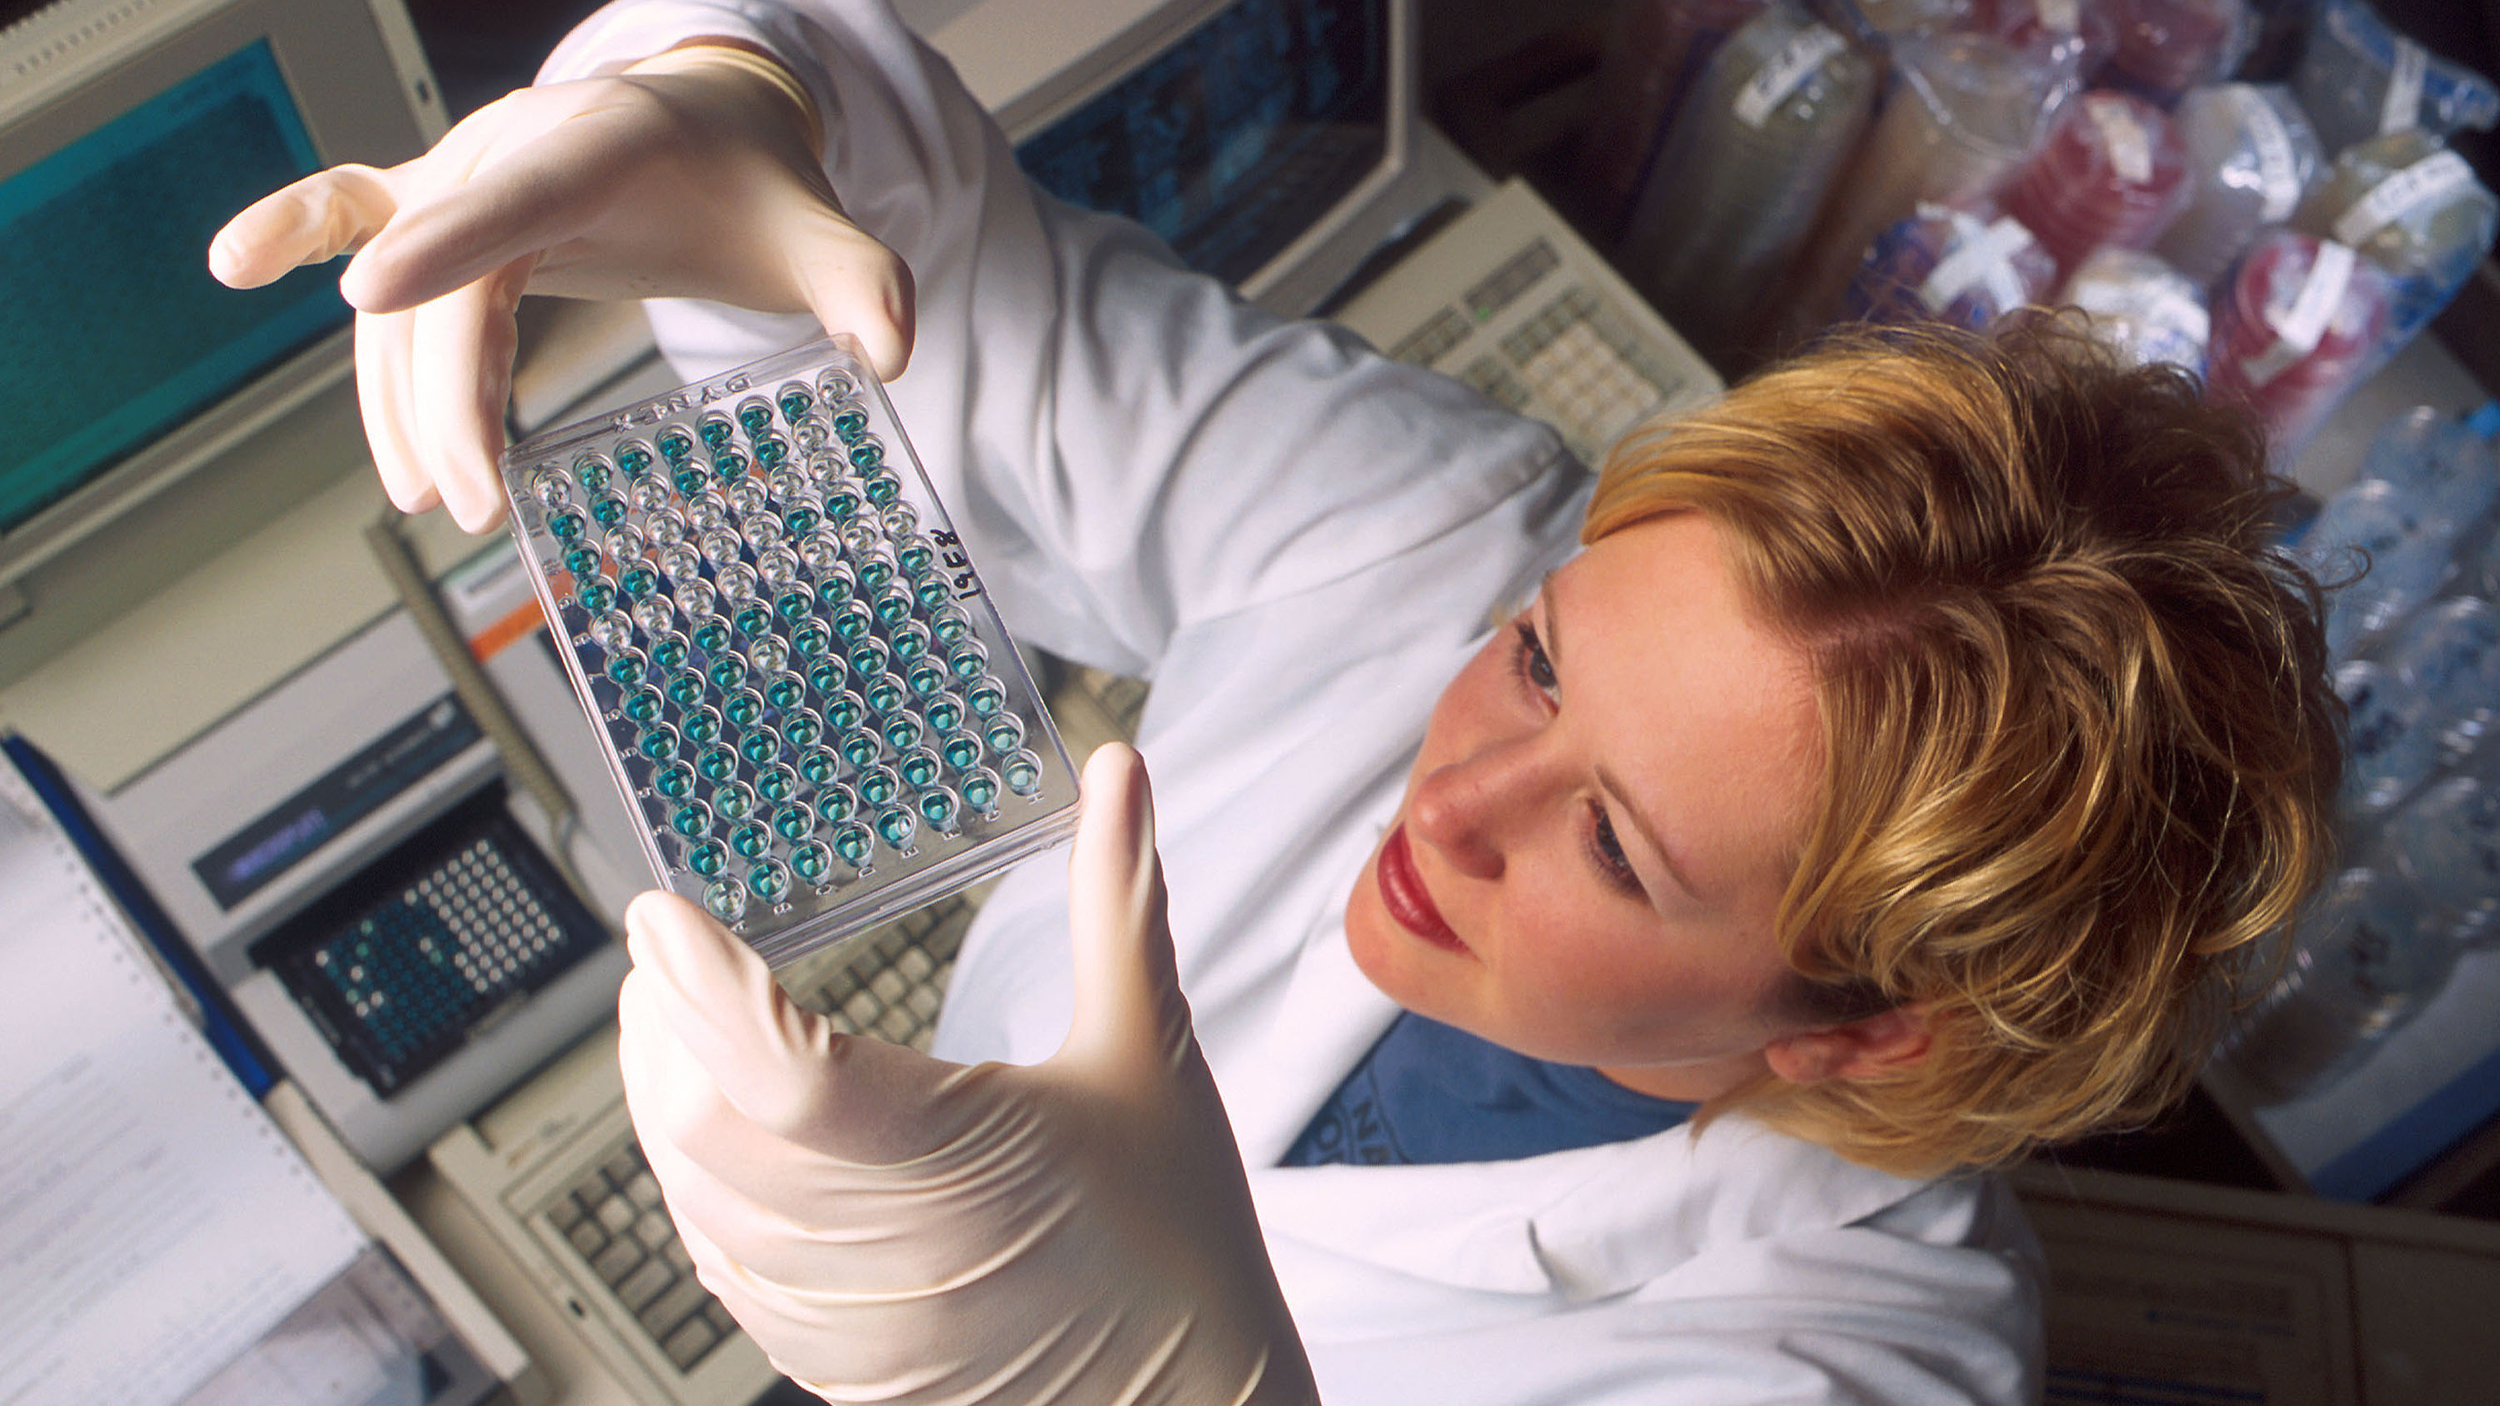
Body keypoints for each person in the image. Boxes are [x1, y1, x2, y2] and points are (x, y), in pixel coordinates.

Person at [209, 1, 2343, 1400]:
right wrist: (717, 106)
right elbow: (935, 267)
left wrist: (1177, 1374)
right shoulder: (1427, 535)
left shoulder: (1853, 1354)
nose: (1460, 784)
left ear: (1861, 1026)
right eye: (1537, 655)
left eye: (1610, 838)